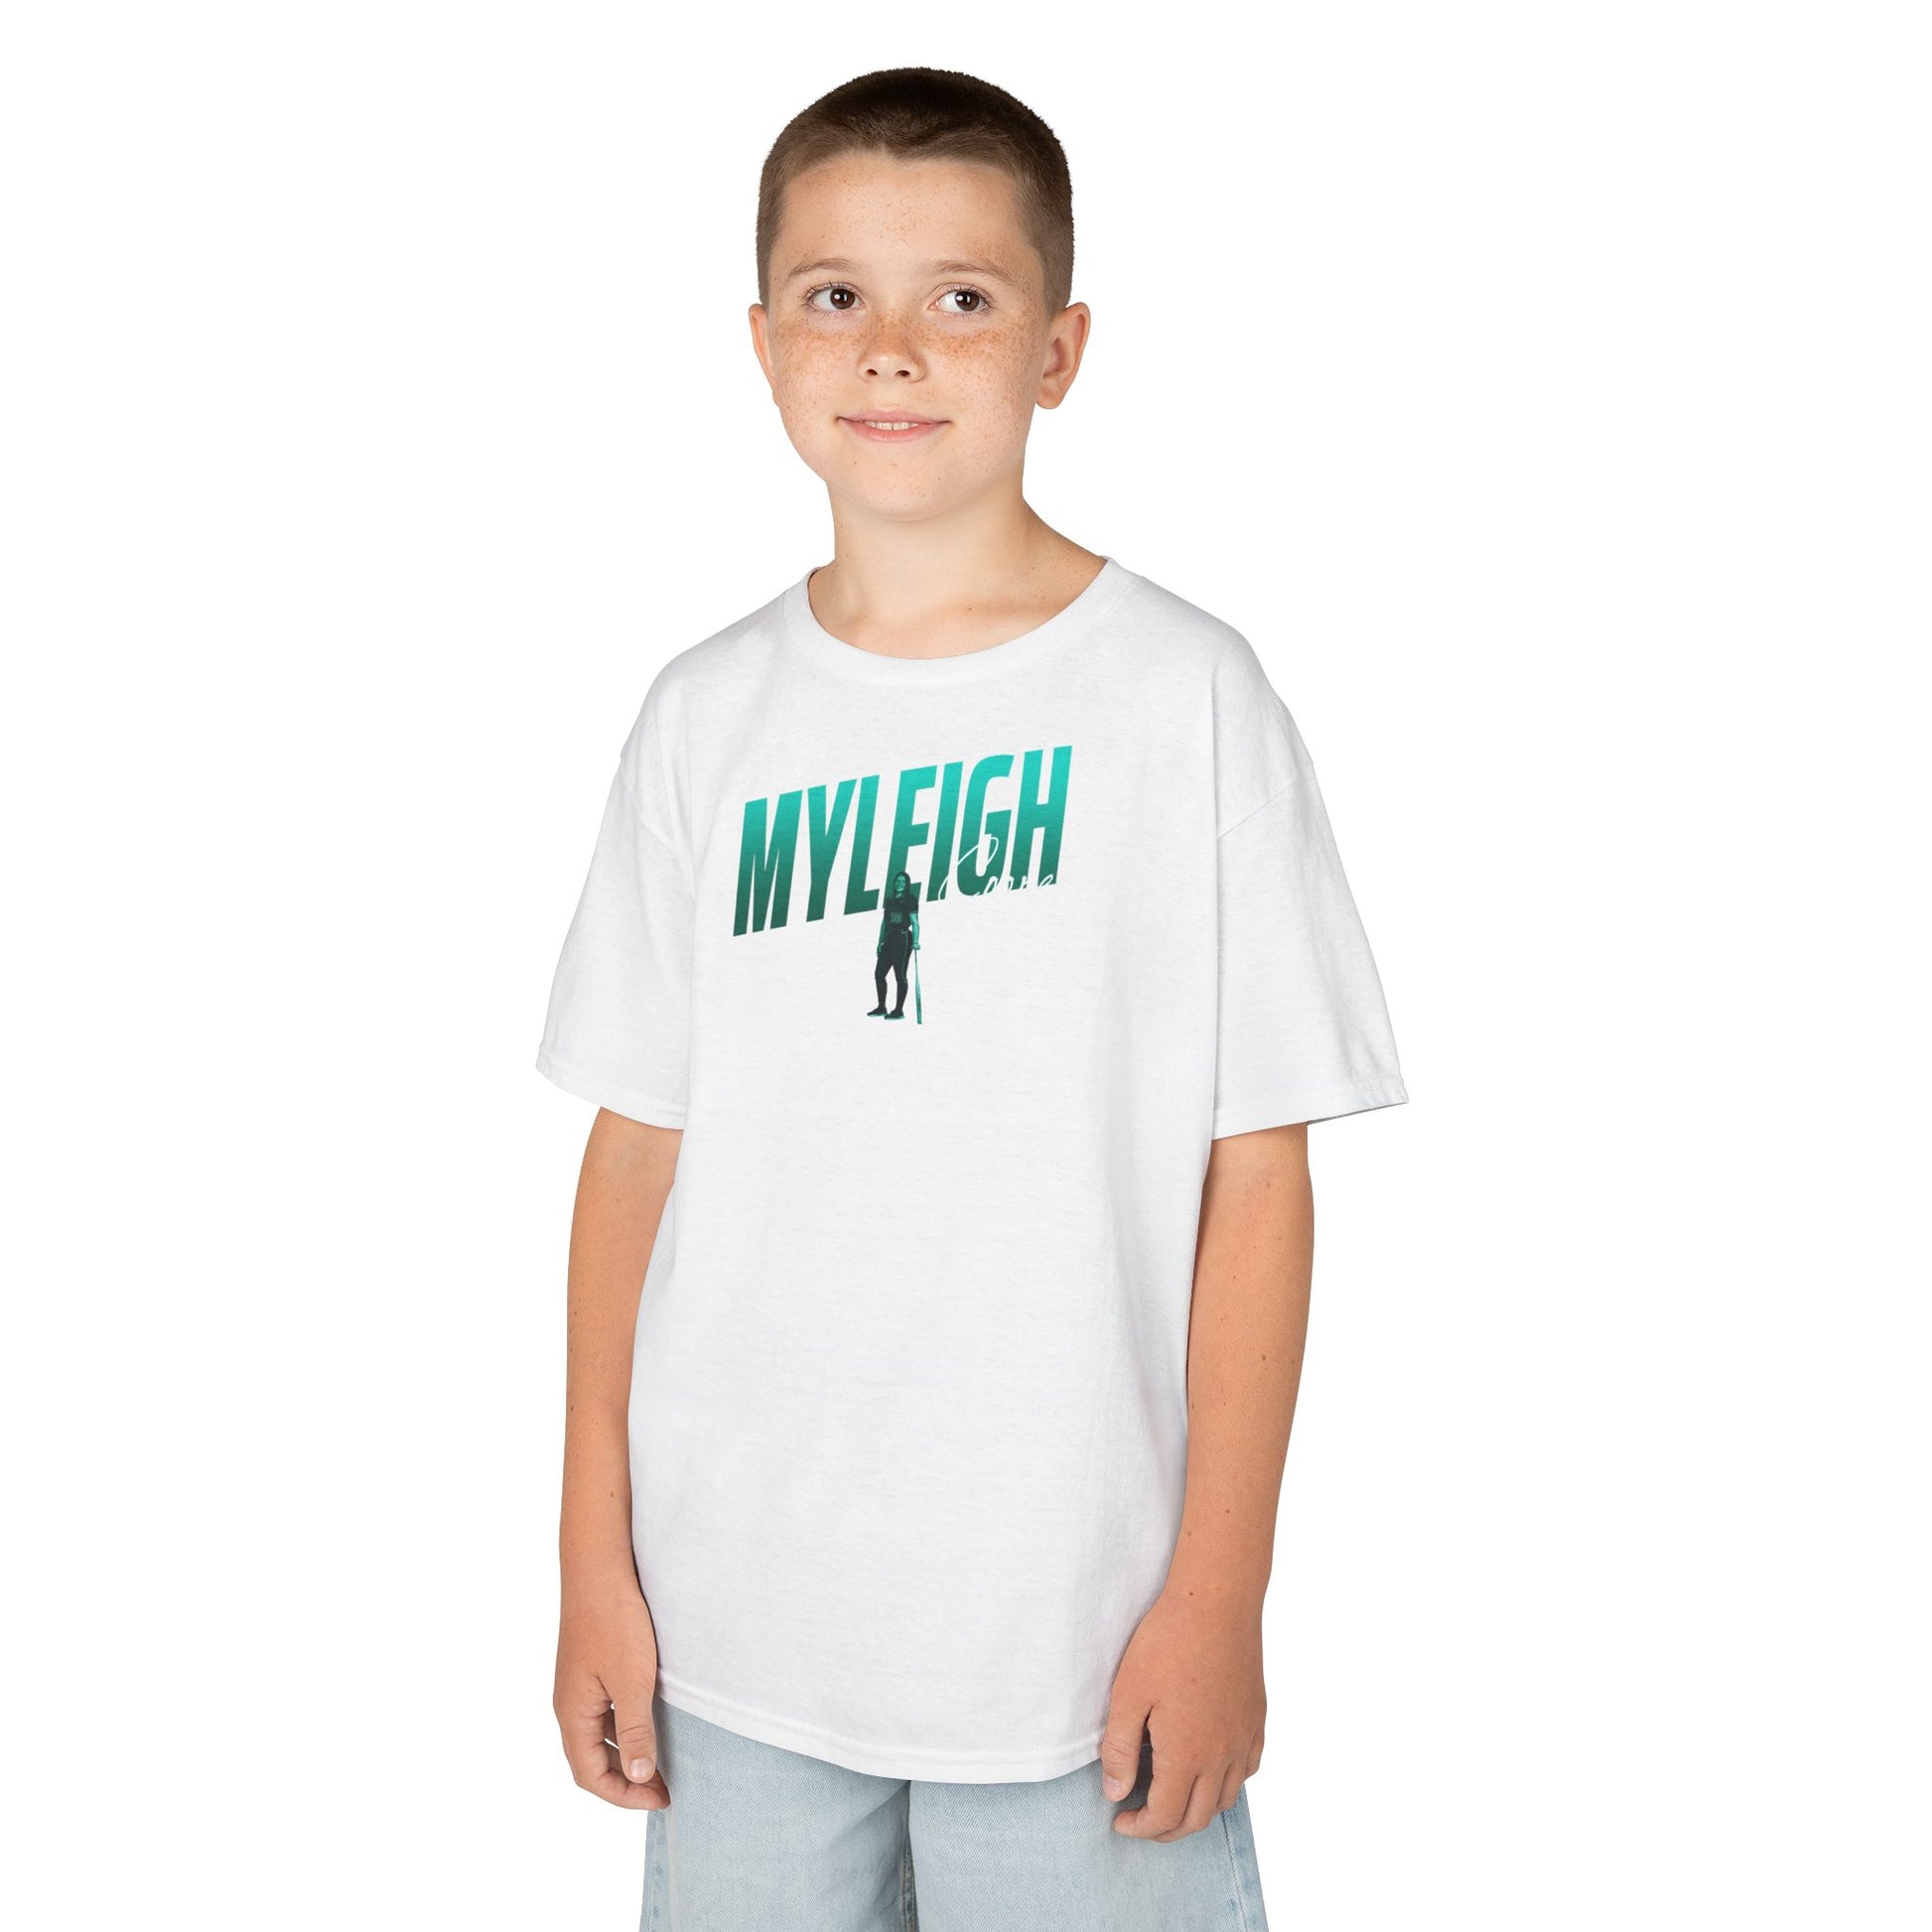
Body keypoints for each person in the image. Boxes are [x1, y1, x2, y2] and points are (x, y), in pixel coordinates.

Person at [536, 67, 1406, 1930]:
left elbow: (1256, 1179)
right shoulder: (704, 715)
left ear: (1059, 348)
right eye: (835, 294)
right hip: (737, 1633)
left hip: (1078, 1643)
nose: (893, 348)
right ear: (761, 344)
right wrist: (589, 1559)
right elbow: (634, 1151)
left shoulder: (1182, 698)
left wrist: (1220, 1593)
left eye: (962, 295)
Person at [870, 869, 919, 1018]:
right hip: (889, 939)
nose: (900, 883)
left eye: (903, 881)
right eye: (897, 881)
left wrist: (915, 941)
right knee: (879, 974)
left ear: (907, 884)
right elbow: (884, 922)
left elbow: (915, 923)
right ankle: (881, 1007)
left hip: (903, 940)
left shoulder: (910, 900)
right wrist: (880, 941)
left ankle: (899, 1010)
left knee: (900, 976)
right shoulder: (890, 900)